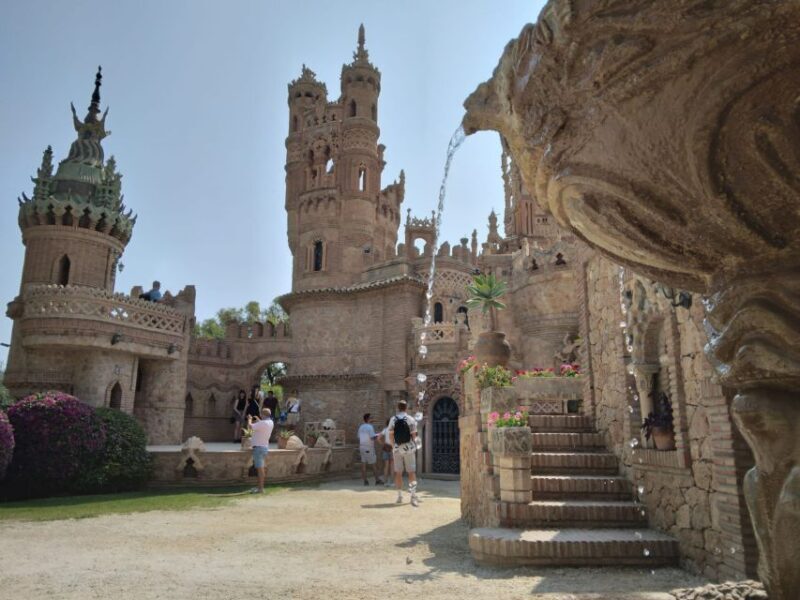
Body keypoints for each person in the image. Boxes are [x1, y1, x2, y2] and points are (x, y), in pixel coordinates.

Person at [388, 400, 419, 506]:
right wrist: (415, 445)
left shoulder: (393, 419)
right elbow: (414, 436)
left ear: (398, 408)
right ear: (406, 408)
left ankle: (399, 496)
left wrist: (393, 446)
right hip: (409, 448)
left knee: (398, 472)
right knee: (411, 472)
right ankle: (413, 496)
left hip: (397, 448)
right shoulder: (411, 419)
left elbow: (391, 435)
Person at [247, 409, 274, 494]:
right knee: (261, 469)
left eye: (261, 414)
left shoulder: (262, 423)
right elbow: (262, 425)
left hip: (258, 448)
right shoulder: (270, 422)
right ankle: (259, 488)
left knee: (260, 470)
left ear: (262, 414)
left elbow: (250, 426)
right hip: (264, 447)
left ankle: (261, 489)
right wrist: (259, 420)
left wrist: (249, 419)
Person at [357, 413, 383, 486]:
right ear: (368, 419)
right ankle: (377, 480)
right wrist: (379, 435)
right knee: (374, 464)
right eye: (371, 418)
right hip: (369, 448)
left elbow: (359, 437)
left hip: (362, 447)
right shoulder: (370, 427)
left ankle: (365, 481)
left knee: (363, 464)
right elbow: (372, 437)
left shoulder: (361, 427)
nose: (373, 419)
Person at [379, 418, 394, 487]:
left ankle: (385, 482)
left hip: (386, 448)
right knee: (392, 466)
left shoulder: (385, 429)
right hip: (392, 449)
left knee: (386, 466)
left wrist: (383, 444)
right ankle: (392, 482)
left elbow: (378, 438)